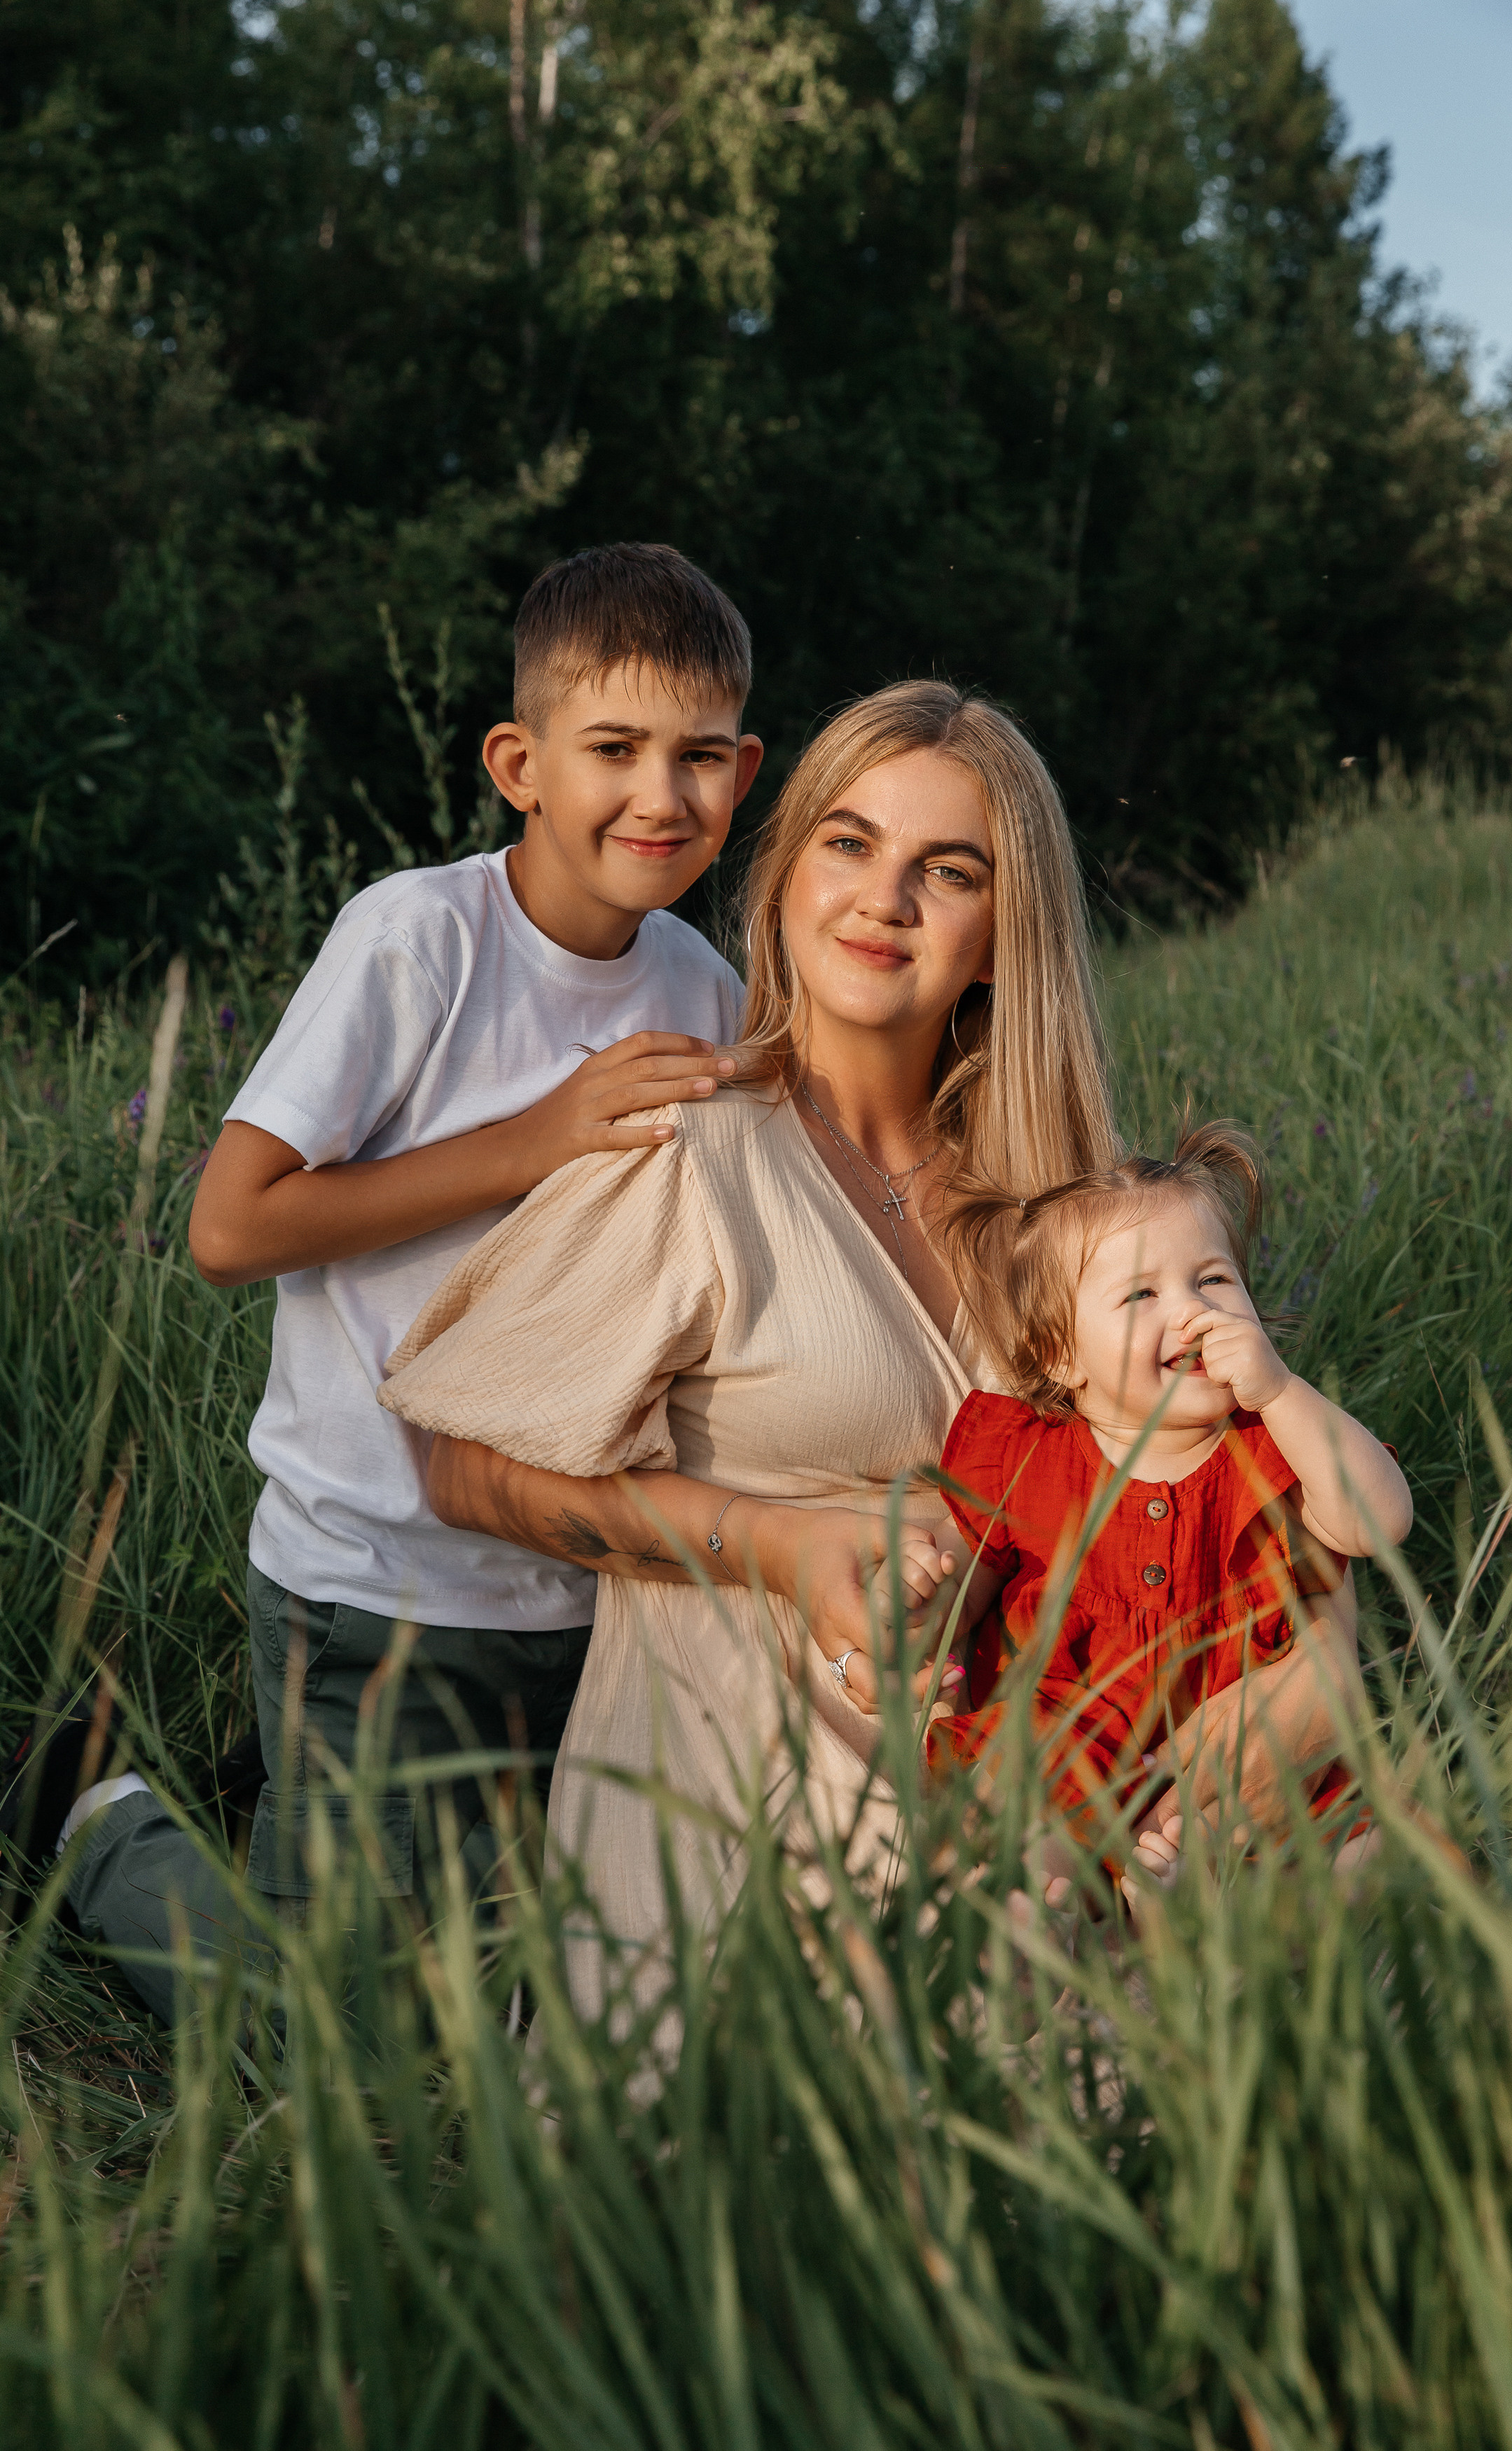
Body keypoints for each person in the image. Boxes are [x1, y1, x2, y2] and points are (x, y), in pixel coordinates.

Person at [0, 541, 763, 2025]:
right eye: (611, 748)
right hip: (382, 1580)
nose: (659, 796)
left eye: (699, 756)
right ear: (517, 762)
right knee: (335, 2039)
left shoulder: (702, 984)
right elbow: (231, 1224)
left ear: (746, 770)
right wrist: (533, 1140)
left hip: (587, 1590)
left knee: (568, 2001)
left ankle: (302, 1797)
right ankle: (100, 1811)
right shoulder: (420, 938)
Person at [375, 678, 1120, 2026]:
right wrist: (769, 1545)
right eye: (846, 842)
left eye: (943, 870)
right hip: (730, 1763)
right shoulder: (687, 1147)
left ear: (1004, 934)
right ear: (781, 879)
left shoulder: (1064, 1203)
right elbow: (457, 1460)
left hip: (1020, 1740)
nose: (881, 898)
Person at [929, 1123, 1413, 1897]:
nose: (1189, 1311)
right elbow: (960, 1595)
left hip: (1237, 1762)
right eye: (1141, 1293)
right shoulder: (1027, 1456)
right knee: (1007, 1816)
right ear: (1059, 1354)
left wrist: (1279, 1389)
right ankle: (1034, 1930)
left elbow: (1377, 1523)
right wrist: (919, 1621)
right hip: (1066, 1741)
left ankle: (1206, 1921)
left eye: (1213, 1280)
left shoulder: (1272, 1442)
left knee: (1378, 1862)